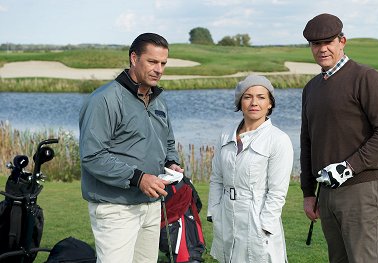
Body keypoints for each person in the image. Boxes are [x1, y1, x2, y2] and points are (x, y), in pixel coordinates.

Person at [300, 14, 378, 263]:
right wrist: (308, 192)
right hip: (327, 192)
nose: (322, 49)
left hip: (361, 189)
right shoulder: (311, 88)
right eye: (315, 44)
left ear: (342, 41)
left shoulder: (365, 78)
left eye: (328, 42)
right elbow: (307, 142)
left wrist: (348, 167)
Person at [79, 33, 183, 263]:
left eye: (163, 63)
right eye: (152, 62)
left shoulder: (159, 100)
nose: (159, 69)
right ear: (134, 58)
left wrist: (171, 163)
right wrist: (138, 178)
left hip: (151, 205)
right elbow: (92, 156)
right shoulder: (104, 99)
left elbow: (167, 142)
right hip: (115, 207)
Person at [207, 74, 293, 263]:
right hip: (227, 215)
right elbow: (217, 178)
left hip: (257, 219)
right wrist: (214, 211)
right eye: (248, 97)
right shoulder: (225, 135)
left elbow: (277, 192)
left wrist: (266, 226)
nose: (254, 102)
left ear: (270, 103)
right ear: (240, 102)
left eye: (261, 97)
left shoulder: (278, 140)